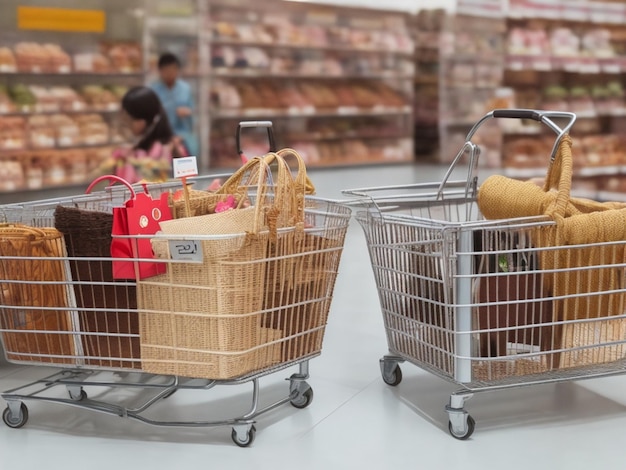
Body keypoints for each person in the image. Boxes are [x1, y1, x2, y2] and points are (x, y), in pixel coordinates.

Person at [96, 86, 187, 183]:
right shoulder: (136, 150)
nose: (126, 124)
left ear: (142, 121)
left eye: (128, 119)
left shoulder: (167, 151)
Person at [150, 52, 199, 157]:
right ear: (160, 71)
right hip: (160, 138)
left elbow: (193, 116)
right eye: (166, 71)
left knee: (186, 155)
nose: (170, 74)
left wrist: (188, 112)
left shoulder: (185, 89)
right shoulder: (153, 90)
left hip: (183, 137)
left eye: (173, 70)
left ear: (177, 70)